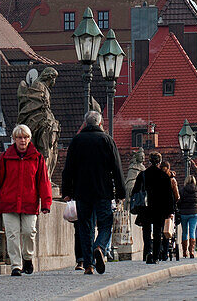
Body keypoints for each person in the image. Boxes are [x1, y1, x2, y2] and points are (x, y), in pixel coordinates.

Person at [61, 110, 125, 275]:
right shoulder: (106, 140)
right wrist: (121, 192)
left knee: (85, 227)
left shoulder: (76, 141)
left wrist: (67, 191)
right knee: (105, 224)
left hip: (81, 192)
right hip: (103, 191)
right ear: (100, 123)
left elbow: (68, 168)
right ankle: (100, 247)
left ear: (85, 123)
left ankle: (88, 264)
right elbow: (116, 168)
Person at [0, 124, 53, 276]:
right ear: (14, 139)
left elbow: (43, 182)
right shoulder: (5, 158)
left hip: (29, 202)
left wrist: (46, 203)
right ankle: (16, 265)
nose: (22, 141)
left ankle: (28, 257)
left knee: (29, 232)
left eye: (25, 137)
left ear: (29, 139)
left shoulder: (37, 158)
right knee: (12, 234)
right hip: (8, 202)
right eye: (19, 138)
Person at [134, 151, 174, 264]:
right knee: (157, 232)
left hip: (145, 207)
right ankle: (156, 256)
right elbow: (169, 195)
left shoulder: (143, 175)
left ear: (149, 161)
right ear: (159, 162)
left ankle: (148, 252)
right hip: (159, 208)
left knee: (146, 231)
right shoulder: (163, 176)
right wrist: (170, 211)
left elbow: (135, 191)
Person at [177, 173, 197, 258]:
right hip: (194, 213)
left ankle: (184, 252)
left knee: (184, 232)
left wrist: (180, 209)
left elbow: (179, 202)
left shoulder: (182, 190)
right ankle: (191, 251)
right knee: (192, 231)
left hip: (184, 213)